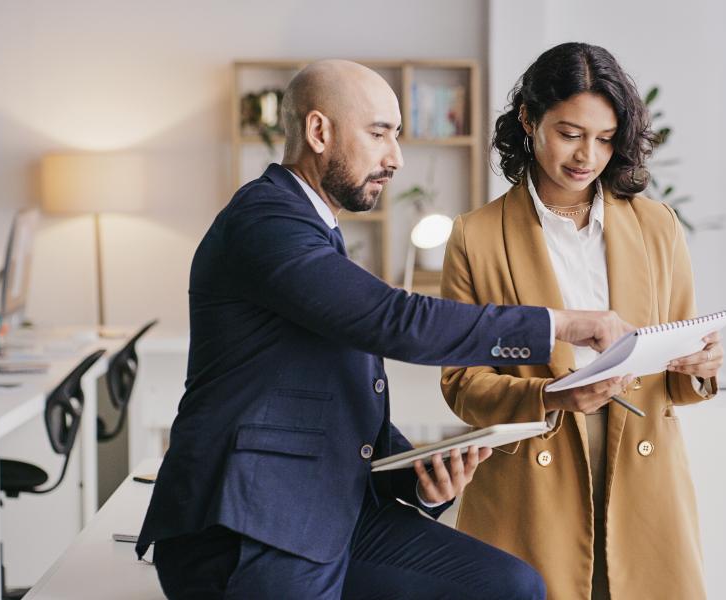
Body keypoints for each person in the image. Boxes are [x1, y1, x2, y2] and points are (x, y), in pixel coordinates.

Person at [135, 59, 634, 600]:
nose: (395, 158)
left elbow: (327, 396)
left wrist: (416, 474)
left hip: (332, 510)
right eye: (379, 134)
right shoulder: (265, 222)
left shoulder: (313, 228)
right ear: (319, 131)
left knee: (509, 586)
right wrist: (560, 323)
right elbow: (394, 320)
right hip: (249, 522)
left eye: (395, 136)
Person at [439, 43, 725, 599]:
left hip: (642, 472)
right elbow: (461, 385)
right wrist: (551, 395)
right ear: (528, 119)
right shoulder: (475, 236)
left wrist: (701, 365)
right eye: (569, 133)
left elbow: (683, 367)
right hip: (532, 480)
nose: (586, 156)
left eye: (604, 138)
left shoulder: (657, 226)